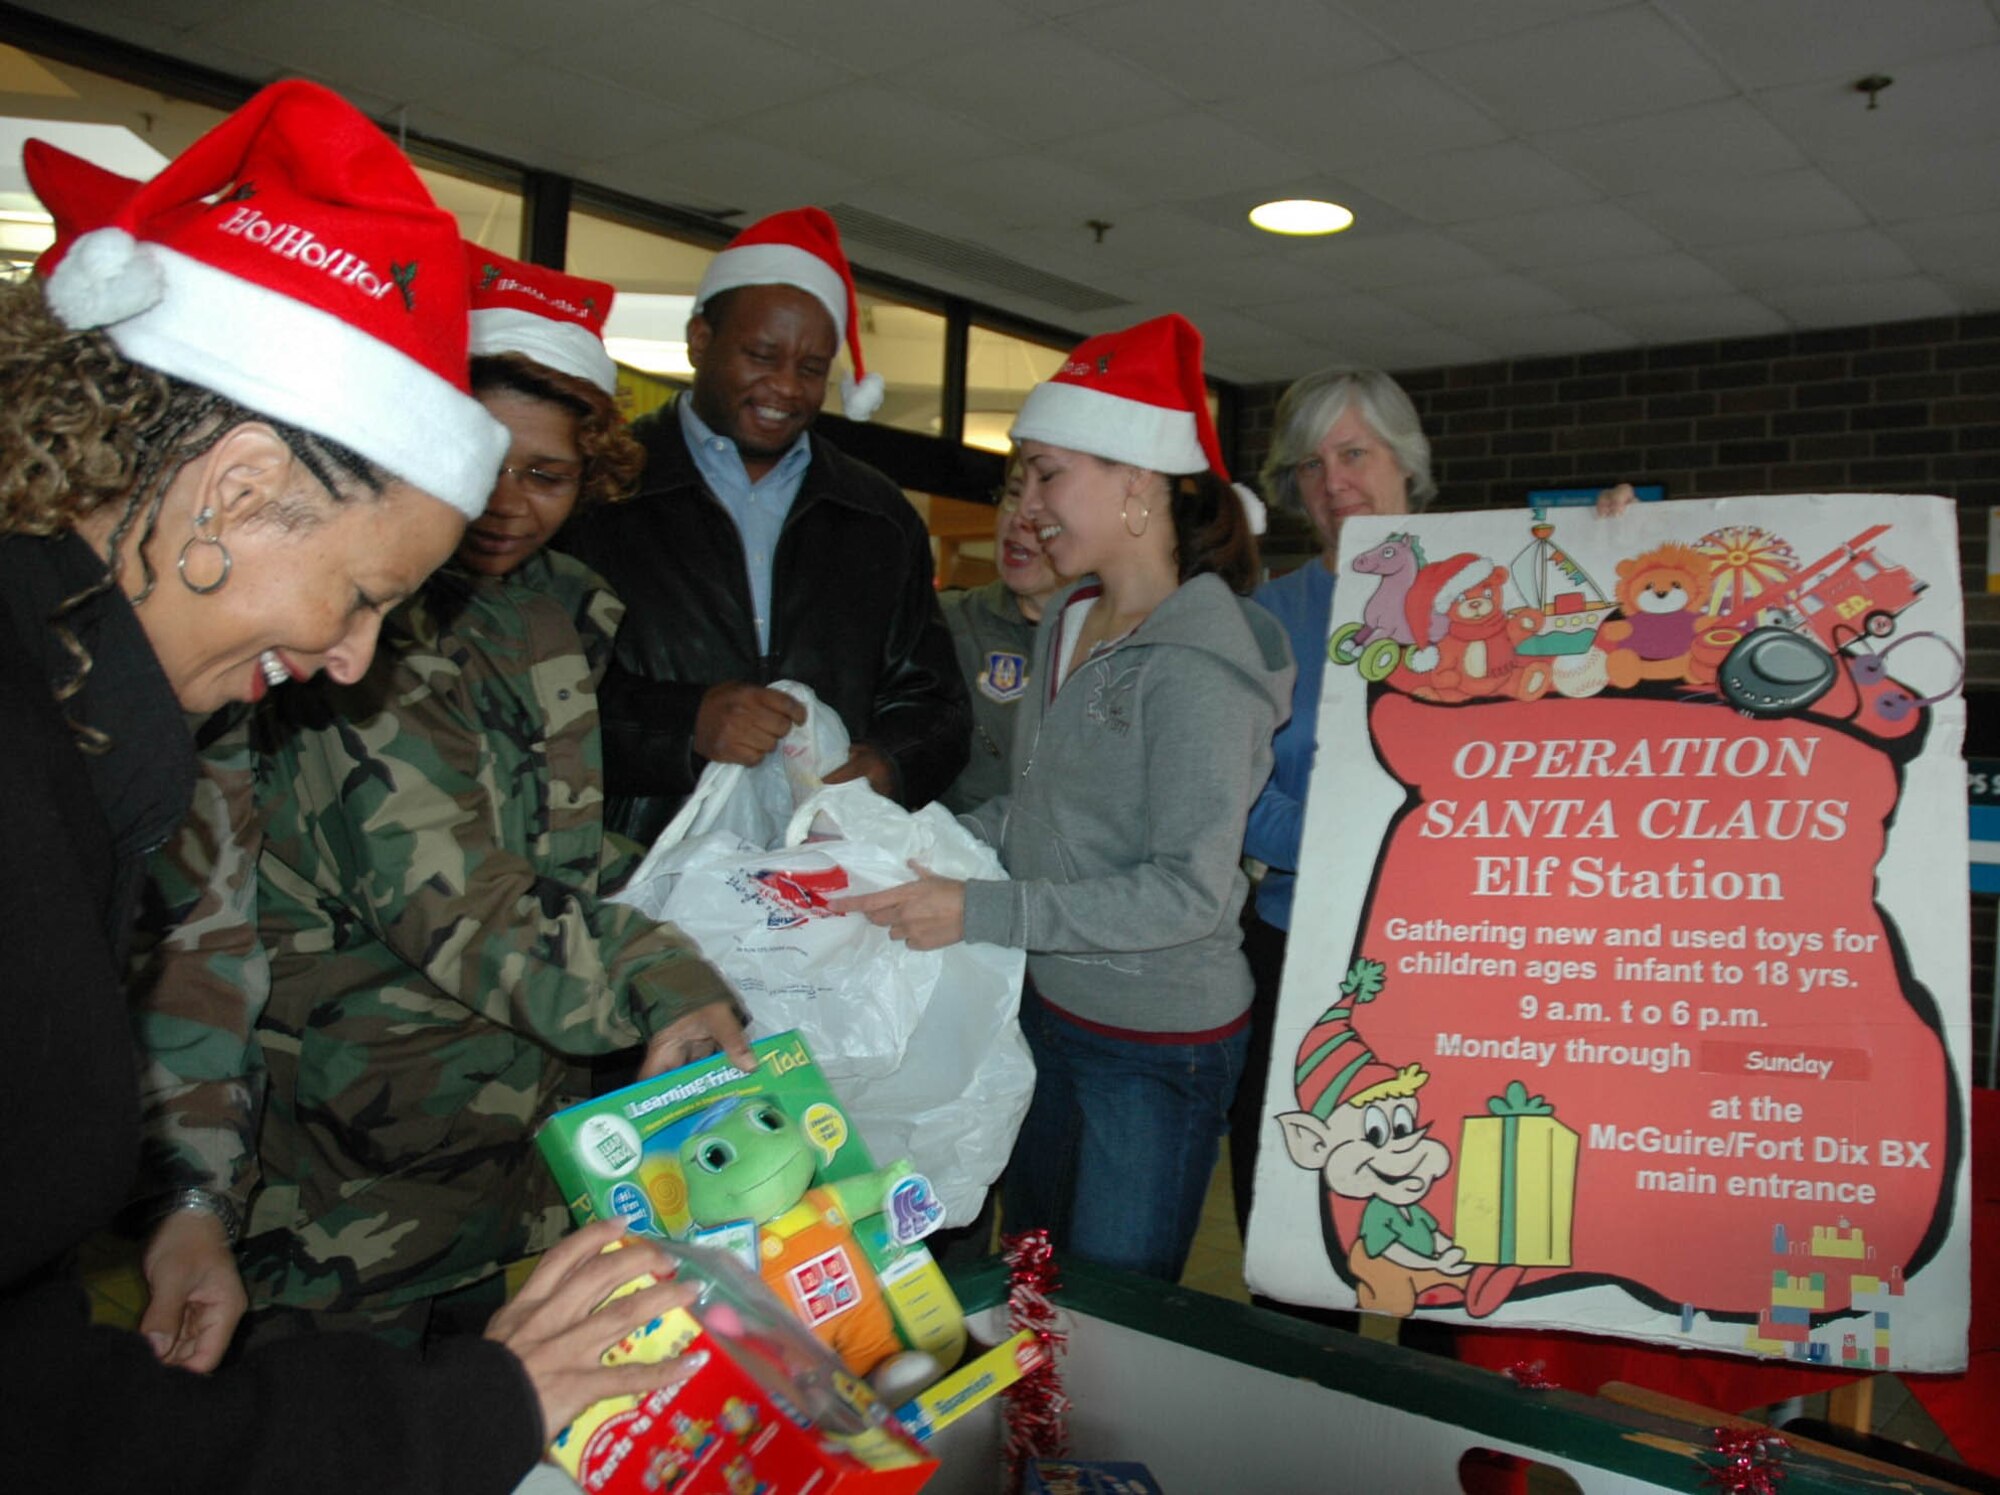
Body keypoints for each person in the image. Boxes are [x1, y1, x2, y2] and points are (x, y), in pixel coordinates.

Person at [0, 83, 692, 1495]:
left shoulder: (74, 715)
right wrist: (471, 1412)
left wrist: (180, 1196)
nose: (351, 654)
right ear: (242, 492)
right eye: (366, 592)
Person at [134, 249, 755, 1366]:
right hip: (347, 1174)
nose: (506, 506)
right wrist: (664, 967)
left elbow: (540, 841)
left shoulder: (548, 614)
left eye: (549, 476)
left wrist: (714, 878)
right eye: (485, 463)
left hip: (507, 1154)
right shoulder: (346, 626)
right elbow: (457, 897)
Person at [842, 314, 1295, 1283]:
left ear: (1137, 481)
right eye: (1027, 473)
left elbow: (1184, 893)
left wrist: (978, 910)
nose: (1029, 501)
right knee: (1031, 1283)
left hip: (1153, 1047)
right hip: (1049, 1008)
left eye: (1050, 473)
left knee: (1105, 1327)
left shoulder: (1199, 666)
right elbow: (1034, 813)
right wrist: (923, 845)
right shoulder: (1072, 621)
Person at [1231, 367, 1634, 1241]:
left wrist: (1620, 548)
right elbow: (1238, 794)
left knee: (1450, 1210)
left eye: (1352, 453)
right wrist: (1365, 850)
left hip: (1455, 958)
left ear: (1404, 462)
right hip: (1300, 953)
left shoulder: (1492, 588)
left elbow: (1600, 683)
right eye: (1308, 464)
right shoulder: (1263, 618)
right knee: (1303, 1219)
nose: (1332, 481)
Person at [558, 207, 968, 848]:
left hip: (816, 883)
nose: (785, 386)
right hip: (627, 872)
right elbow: (531, 697)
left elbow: (938, 706)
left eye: (811, 367)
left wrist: (889, 764)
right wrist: (683, 724)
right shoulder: (602, 493)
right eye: (760, 354)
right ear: (699, 340)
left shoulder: (878, 517)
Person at [936, 452, 1069, 813]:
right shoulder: (943, 625)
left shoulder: (1127, 642)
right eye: (1013, 493)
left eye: (1046, 505)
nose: (1020, 518)